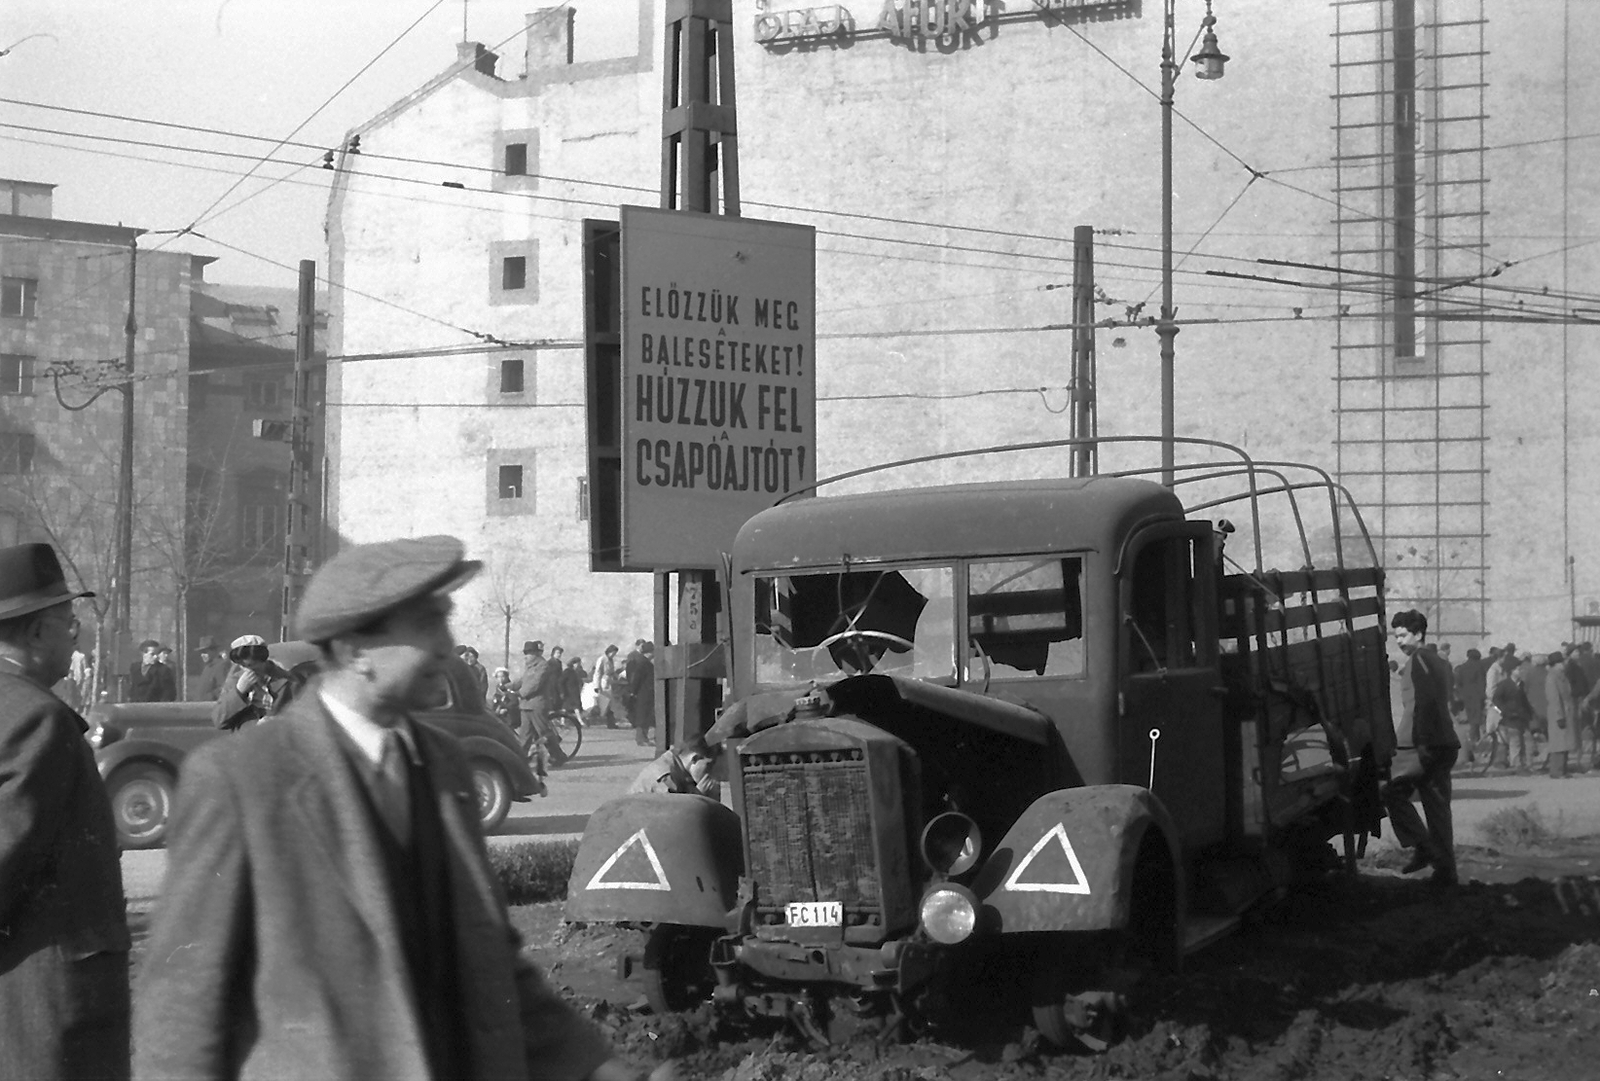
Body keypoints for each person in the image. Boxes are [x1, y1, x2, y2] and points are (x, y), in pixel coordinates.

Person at [133, 535, 657, 1081]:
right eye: (429, 624)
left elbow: (490, 969)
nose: (447, 647)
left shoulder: (443, 768)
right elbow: (182, 1007)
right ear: (358, 651)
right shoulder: (241, 780)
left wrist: (597, 1070)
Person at [0, 542, 130, 1081]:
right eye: (66, 620)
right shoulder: (38, 719)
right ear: (34, 634)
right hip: (45, 1003)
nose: (75, 634)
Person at [1383, 609, 1459, 887]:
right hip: (1445, 741)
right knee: (1438, 808)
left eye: (1403, 635)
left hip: (1422, 742)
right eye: (1396, 636)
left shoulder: (1418, 661)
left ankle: (1423, 845)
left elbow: (1424, 704)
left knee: (1392, 791)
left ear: (1418, 634)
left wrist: (1421, 742)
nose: (1399, 641)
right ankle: (1446, 872)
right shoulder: (1437, 660)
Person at [212, 634, 303, 732]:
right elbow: (219, 721)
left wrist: (275, 722)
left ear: (263, 660)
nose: (247, 670)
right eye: (242, 666)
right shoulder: (235, 681)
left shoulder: (287, 681)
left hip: (277, 741)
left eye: (252, 665)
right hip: (247, 742)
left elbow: (303, 718)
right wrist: (239, 691)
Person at [628, 735, 721, 798]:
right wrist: (699, 797)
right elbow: (675, 819)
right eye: (709, 765)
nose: (711, 771)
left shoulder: (681, 770)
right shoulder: (667, 778)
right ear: (695, 758)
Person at [1489, 662, 1534, 772]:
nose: (1520, 671)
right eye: (1518, 669)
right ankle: (1517, 765)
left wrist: (1530, 713)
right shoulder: (1504, 685)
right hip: (1510, 718)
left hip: (1522, 716)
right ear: (1511, 671)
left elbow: (1524, 701)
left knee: (1527, 741)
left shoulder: (1521, 684)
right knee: (1515, 742)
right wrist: (1504, 711)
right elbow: (1496, 700)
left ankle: (1526, 763)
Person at [1544, 650, 1577, 779]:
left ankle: (1563, 769)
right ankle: (1556, 771)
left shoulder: (1561, 675)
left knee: (1565, 743)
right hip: (1558, 714)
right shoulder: (1552, 677)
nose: (1563, 664)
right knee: (1558, 744)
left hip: (1565, 712)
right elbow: (1554, 698)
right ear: (1556, 664)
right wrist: (1559, 716)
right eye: (1561, 662)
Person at [624, 639, 655, 746]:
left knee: (645, 716)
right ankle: (641, 739)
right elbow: (637, 679)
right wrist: (633, 692)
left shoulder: (646, 663)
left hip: (645, 693)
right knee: (642, 716)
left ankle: (644, 738)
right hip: (643, 693)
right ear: (649, 653)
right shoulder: (643, 664)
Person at [127, 638, 176, 702]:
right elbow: (132, 688)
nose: (156, 657)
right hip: (136, 707)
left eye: (157, 654)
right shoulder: (134, 668)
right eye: (152, 654)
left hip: (154, 708)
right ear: (143, 654)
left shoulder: (163, 670)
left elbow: (169, 693)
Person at [189, 636, 232, 701]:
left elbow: (224, 688)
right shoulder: (208, 667)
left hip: (212, 705)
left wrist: (209, 697)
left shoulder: (221, 665)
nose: (202, 655)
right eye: (201, 652)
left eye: (205, 652)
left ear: (214, 651)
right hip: (201, 705)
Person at [595, 643, 621, 728]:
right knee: (606, 703)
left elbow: (612, 671)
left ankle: (611, 722)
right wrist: (597, 685)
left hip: (609, 682)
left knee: (610, 703)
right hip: (603, 683)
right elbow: (598, 672)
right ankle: (609, 721)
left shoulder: (611, 660)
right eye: (613, 652)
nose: (613, 655)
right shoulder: (602, 659)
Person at [561, 655, 588, 726]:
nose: (578, 665)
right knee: (568, 707)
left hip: (574, 692)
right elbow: (561, 682)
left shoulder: (575, 672)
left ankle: (578, 720)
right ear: (573, 663)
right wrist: (562, 691)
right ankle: (577, 721)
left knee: (574, 707)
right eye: (577, 663)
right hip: (568, 692)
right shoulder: (567, 671)